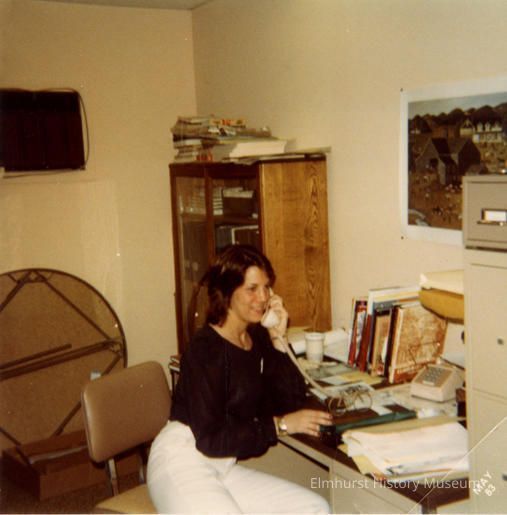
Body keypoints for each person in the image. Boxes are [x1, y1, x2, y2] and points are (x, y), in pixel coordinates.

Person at [147, 244, 332, 514]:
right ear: (227, 292)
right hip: (181, 459)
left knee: (314, 508)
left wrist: (279, 339)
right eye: (252, 289)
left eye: (266, 288)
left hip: (222, 463)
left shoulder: (257, 337)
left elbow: (291, 401)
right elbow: (210, 438)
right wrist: (279, 426)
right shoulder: (205, 350)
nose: (263, 298)